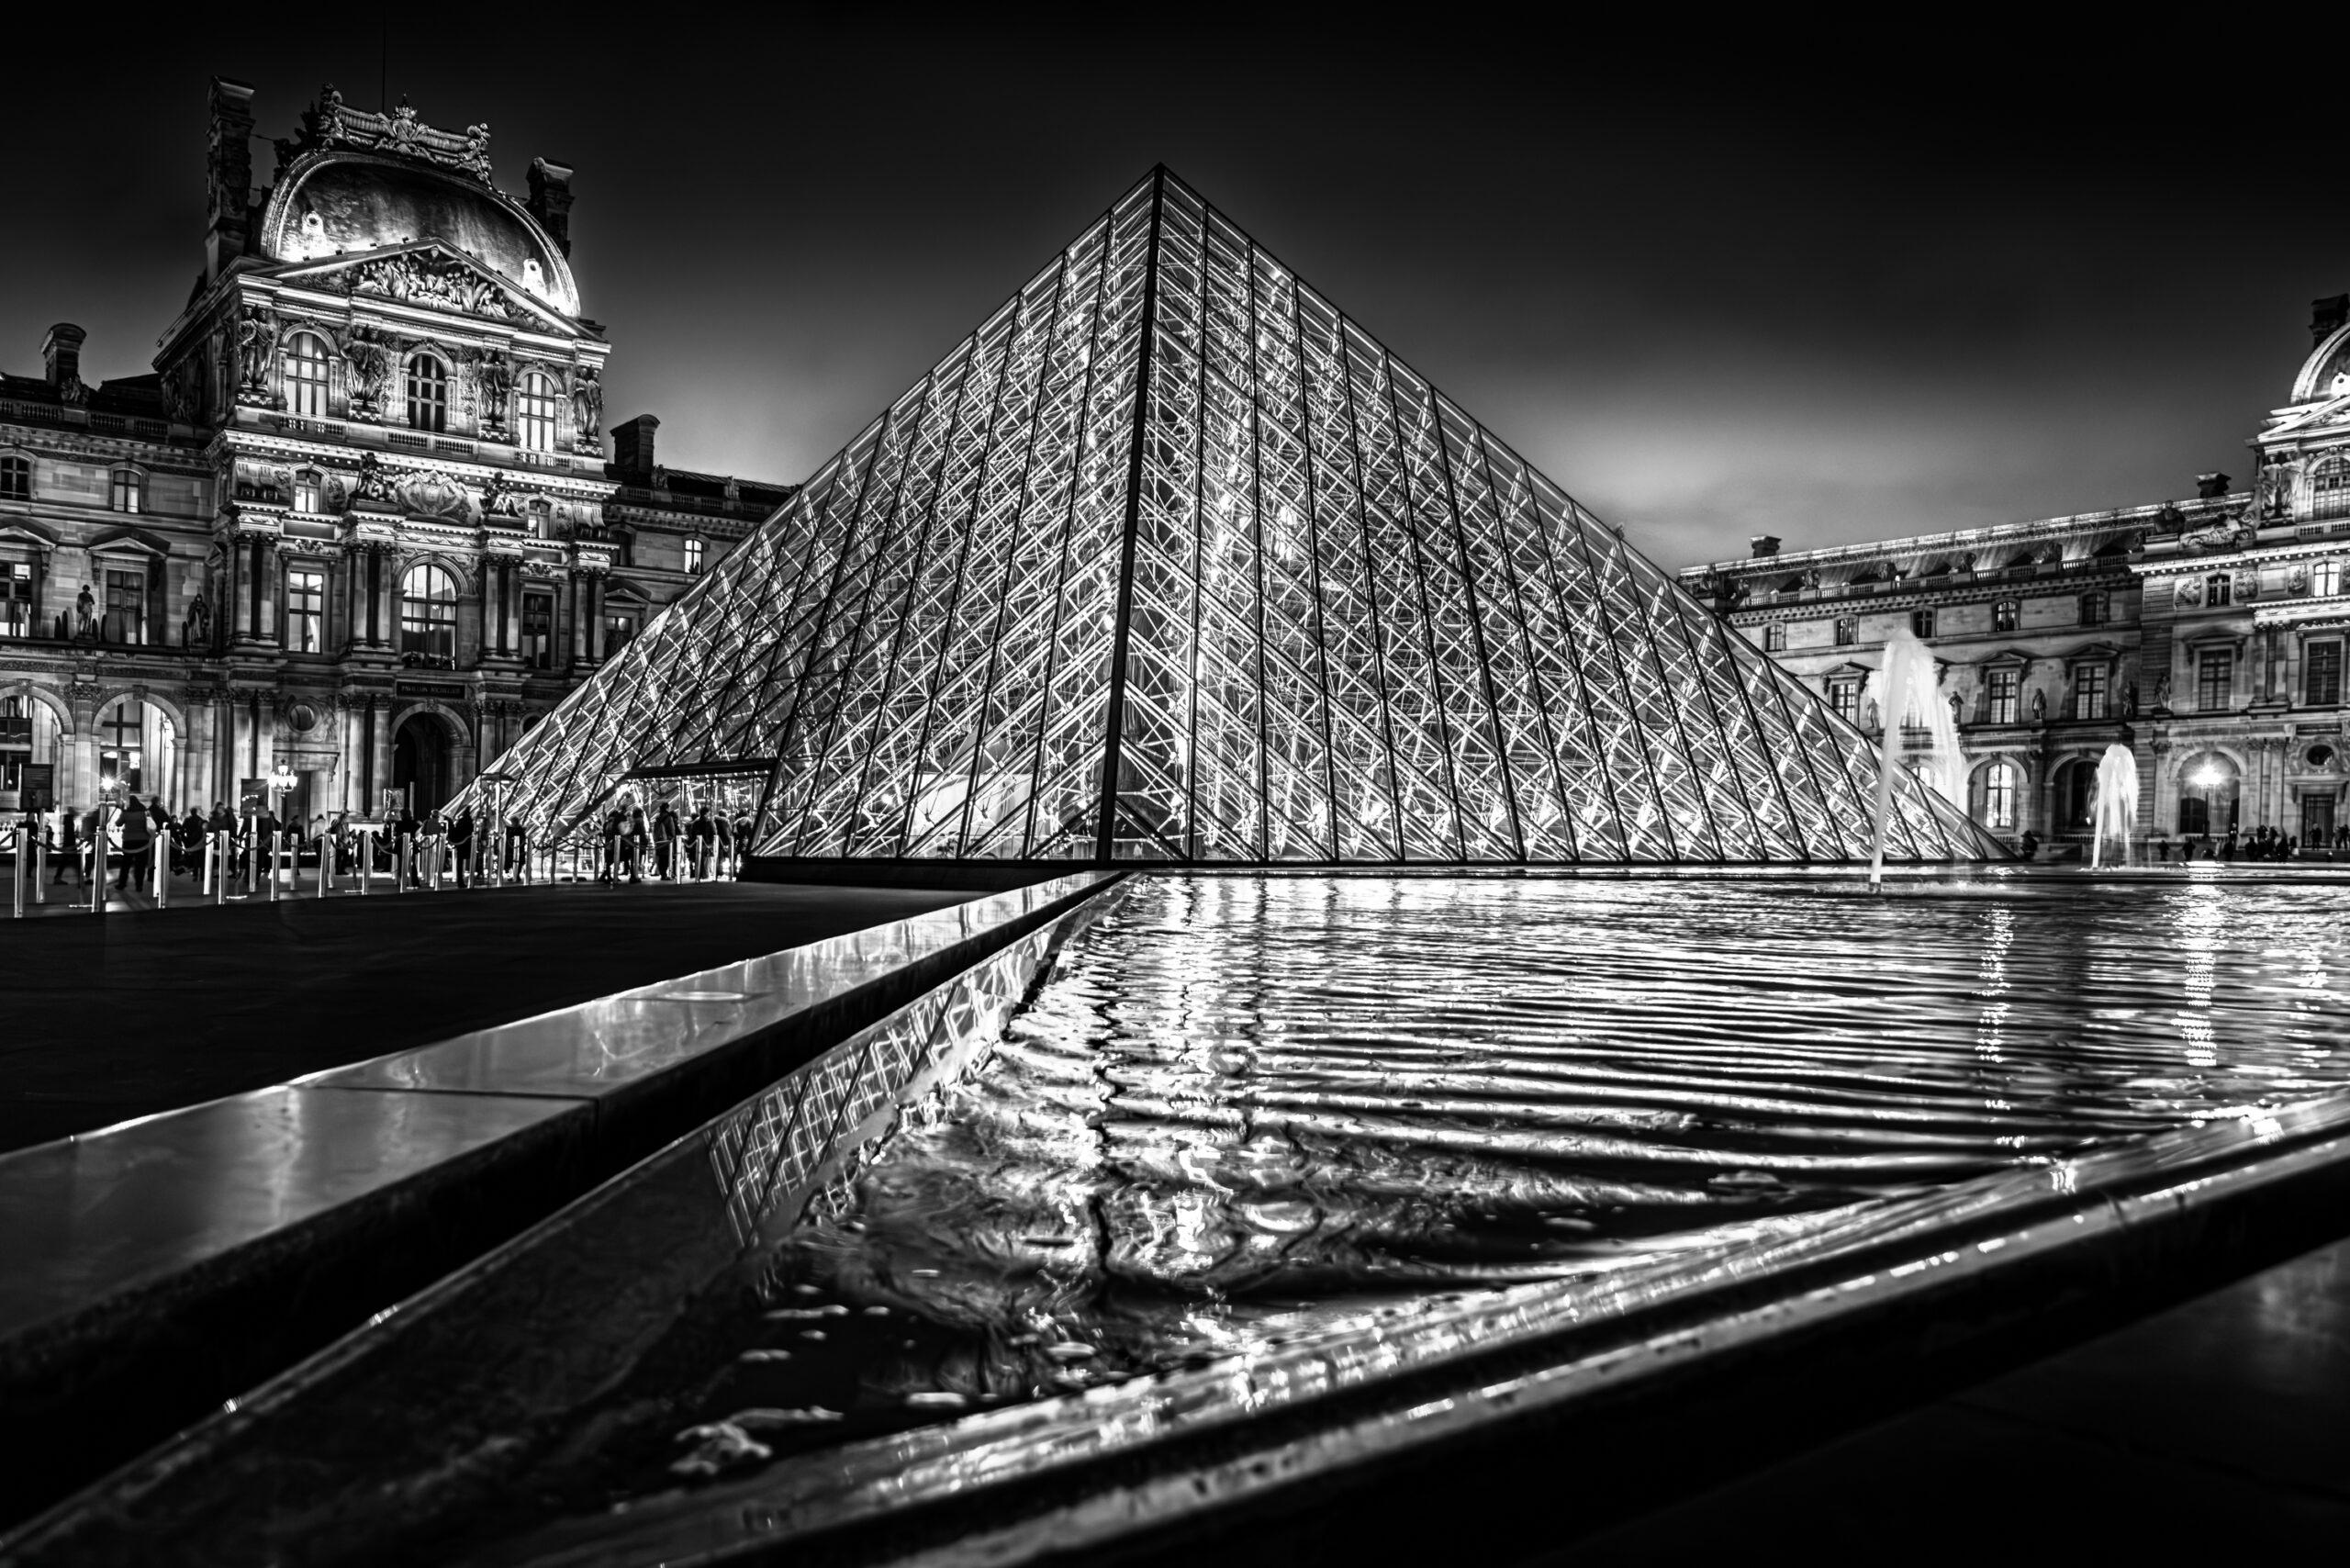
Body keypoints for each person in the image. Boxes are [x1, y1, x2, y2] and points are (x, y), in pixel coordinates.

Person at [115, 795, 151, 890]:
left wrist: (122, 812)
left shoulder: (126, 813)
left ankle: (122, 884)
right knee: (141, 864)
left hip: (129, 840)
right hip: (143, 840)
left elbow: (118, 823)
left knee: (126, 863)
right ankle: (139, 885)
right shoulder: (144, 813)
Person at [687, 803, 716, 879]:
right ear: (706, 814)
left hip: (697, 844)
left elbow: (692, 834)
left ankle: (698, 874)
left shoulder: (696, 823)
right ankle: (705, 874)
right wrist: (711, 843)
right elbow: (714, 833)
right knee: (706, 860)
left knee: (698, 859)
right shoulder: (709, 822)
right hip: (706, 844)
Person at [653, 800, 680, 880]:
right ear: (667, 808)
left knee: (661, 858)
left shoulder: (657, 818)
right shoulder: (669, 818)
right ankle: (665, 875)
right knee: (667, 858)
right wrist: (671, 838)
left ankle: (663, 874)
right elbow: (672, 830)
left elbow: (655, 830)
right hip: (667, 842)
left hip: (659, 841)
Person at [449, 808, 475, 890]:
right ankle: (471, 880)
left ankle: (460, 881)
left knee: (459, 863)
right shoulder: (470, 822)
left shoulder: (460, 821)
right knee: (472, 862)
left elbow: (457, 831)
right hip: (468, 844)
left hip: (460, 844)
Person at [52, 807, 78, 886]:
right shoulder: (69, 820)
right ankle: (81, 879)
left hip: (68, 845)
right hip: (70, 845)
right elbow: (70, 834)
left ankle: (57, 878)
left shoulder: (67, 820)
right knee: (75, 862)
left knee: (65, 862)